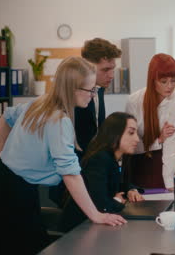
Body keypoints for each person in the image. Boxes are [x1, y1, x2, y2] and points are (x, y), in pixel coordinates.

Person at [0, 57, 127, 255]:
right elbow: (71, 175)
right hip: (11, 199)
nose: (93, 94)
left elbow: (7, 115)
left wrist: (0, 152)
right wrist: (96, 215)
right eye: (90, 89)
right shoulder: (59, 120)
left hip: (2, 188)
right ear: (73, 88)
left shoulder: (40, 103)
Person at [50, 38, 122, 207]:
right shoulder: (71, 96)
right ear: (87, 66)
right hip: (70, 179)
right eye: (105, 70)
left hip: (90, 176)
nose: (111, 75)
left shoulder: (100, 90)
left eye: (113, 69)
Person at [60, 112, 145, 232]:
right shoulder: (100, 159)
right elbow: (100, 205)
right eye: (131, 133)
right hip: (79, 229)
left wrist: (131, 190)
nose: (137, 139)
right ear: (115, 134)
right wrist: (117, 201)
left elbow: (113, 183)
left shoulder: (112, 158)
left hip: (94, 226)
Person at [123, 53, 175, 190]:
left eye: (174, 80)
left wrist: (169, 184)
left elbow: (171, 144)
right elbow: (131, 145)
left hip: (159, 160)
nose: (170, 86)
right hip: (136, 160)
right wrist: (159, 140)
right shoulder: (134, 101)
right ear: (153, 80)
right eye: (164, 82)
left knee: (163, 198)